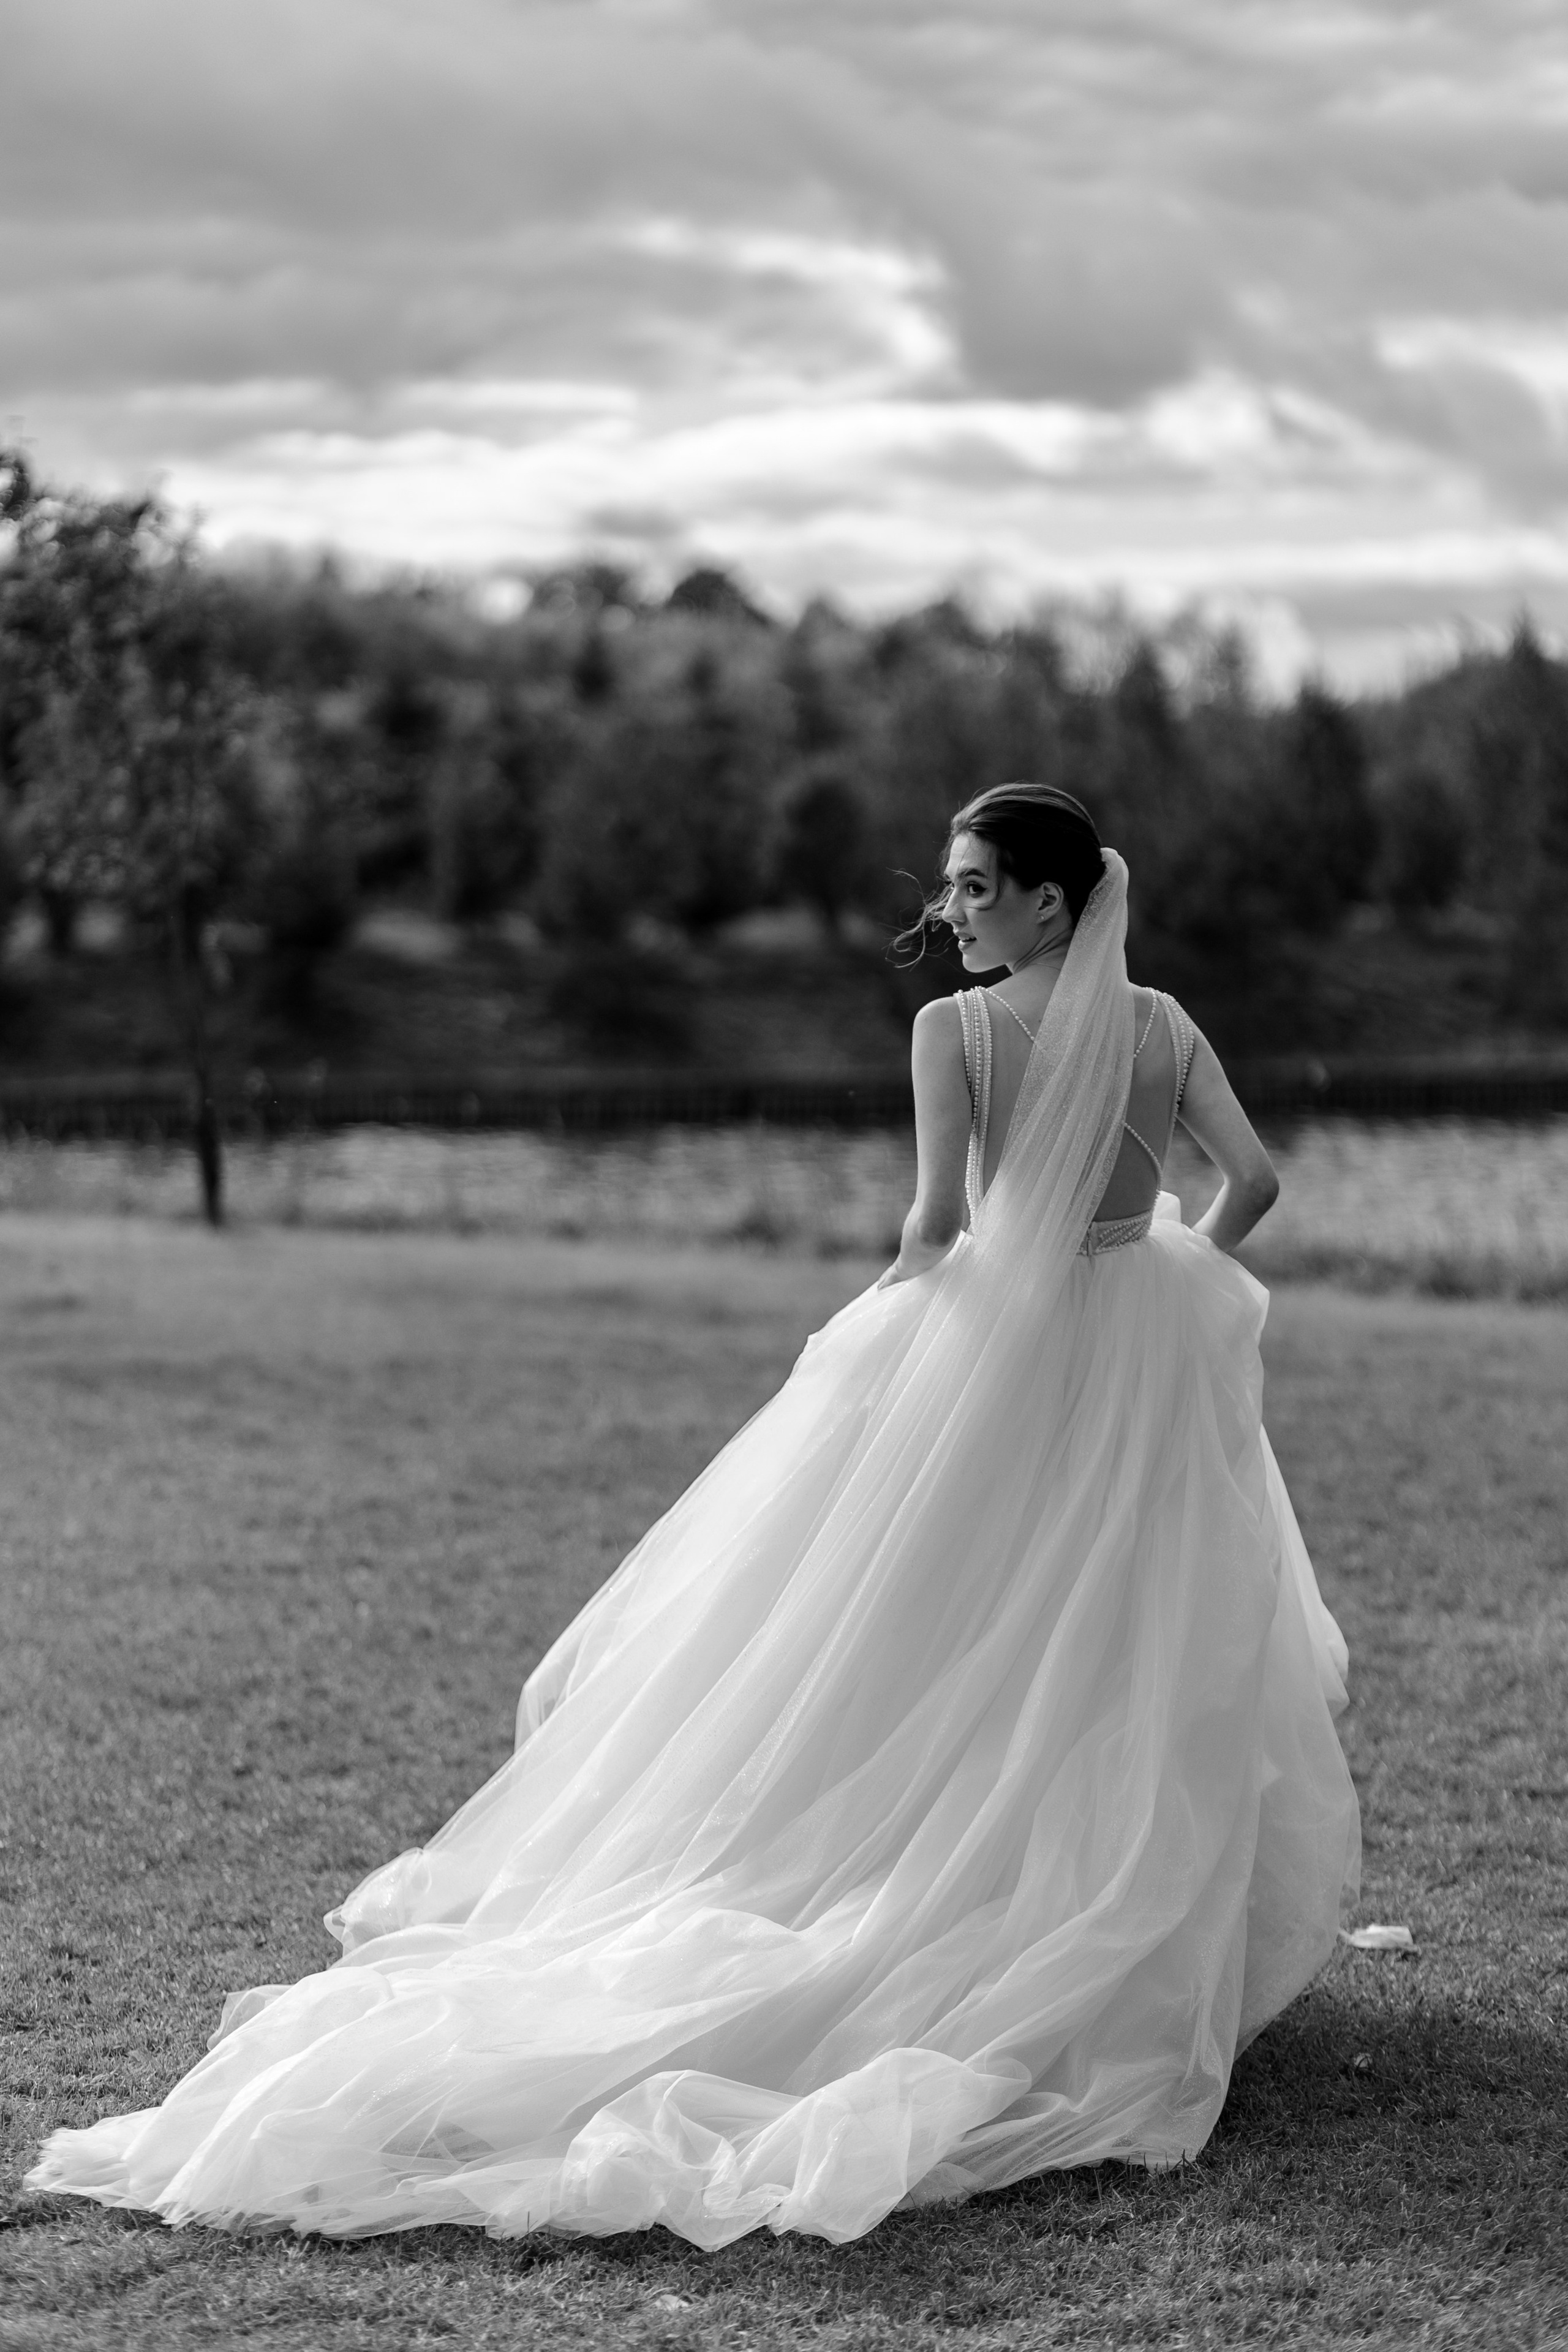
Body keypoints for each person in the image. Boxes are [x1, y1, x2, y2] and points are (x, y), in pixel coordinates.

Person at [29, 784, 1360, 2248]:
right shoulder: (1159, 1026)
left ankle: (950, 1879)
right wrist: (1165, 1268)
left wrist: (890, 1332)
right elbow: (1254, 1182)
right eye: (952, 886)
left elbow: (934, 1226)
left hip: (994, 1354)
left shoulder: (955, 1035)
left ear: (1053, 900)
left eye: (980, 888)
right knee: (1117, 1629)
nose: (954, 910)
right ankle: (1105, 1919)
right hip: (1131, 1362)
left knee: (933, 1620)